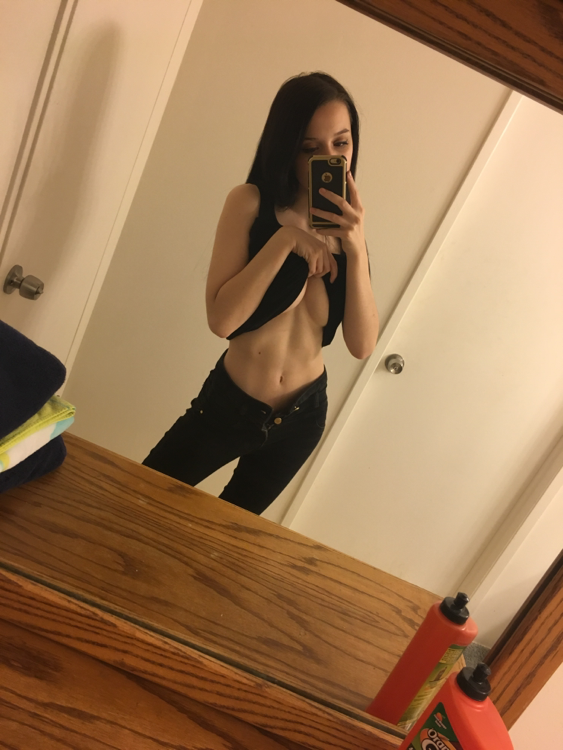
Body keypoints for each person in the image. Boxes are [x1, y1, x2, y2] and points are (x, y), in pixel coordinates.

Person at [142, 72, 379, 514]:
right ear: (286, 146)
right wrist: (285, 241)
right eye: (309, 148)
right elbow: (222, 321)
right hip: (230, 405)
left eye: (341, 143)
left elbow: (362, 345)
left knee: (229, 537)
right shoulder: (249, 203)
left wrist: (356, 245)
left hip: (303, 417)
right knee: (139, 502)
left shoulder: (349, 231)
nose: (330, 159)